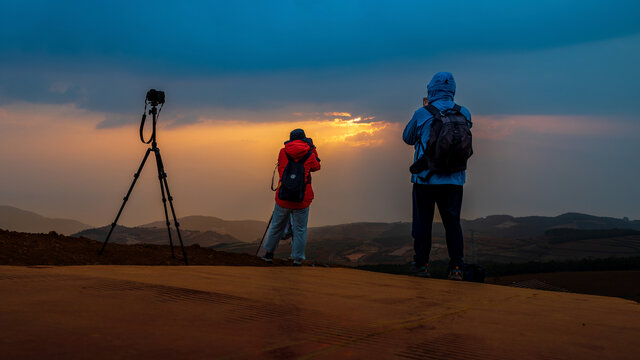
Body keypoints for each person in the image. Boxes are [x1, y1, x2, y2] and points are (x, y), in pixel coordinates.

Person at [402, 72, 472, 280]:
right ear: (453, 91)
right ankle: (456, 268)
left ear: (431, 90)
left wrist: (425, 110)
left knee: (423, 223)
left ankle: (422, 266)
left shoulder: (422, 113)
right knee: (453, 223)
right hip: (455, 179)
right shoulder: (464, 112)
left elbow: (407, 138)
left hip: (425, 178)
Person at [262, 129, 321, 266]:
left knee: (276, 225)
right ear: (304, 140)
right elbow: (317, 166)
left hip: (283, 197)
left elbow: (281, 168)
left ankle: (268, 254)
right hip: (302, 200)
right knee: (300, 229)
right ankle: (297, 258)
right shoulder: (309, 155)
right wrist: (312, 148)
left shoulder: (282, 152)